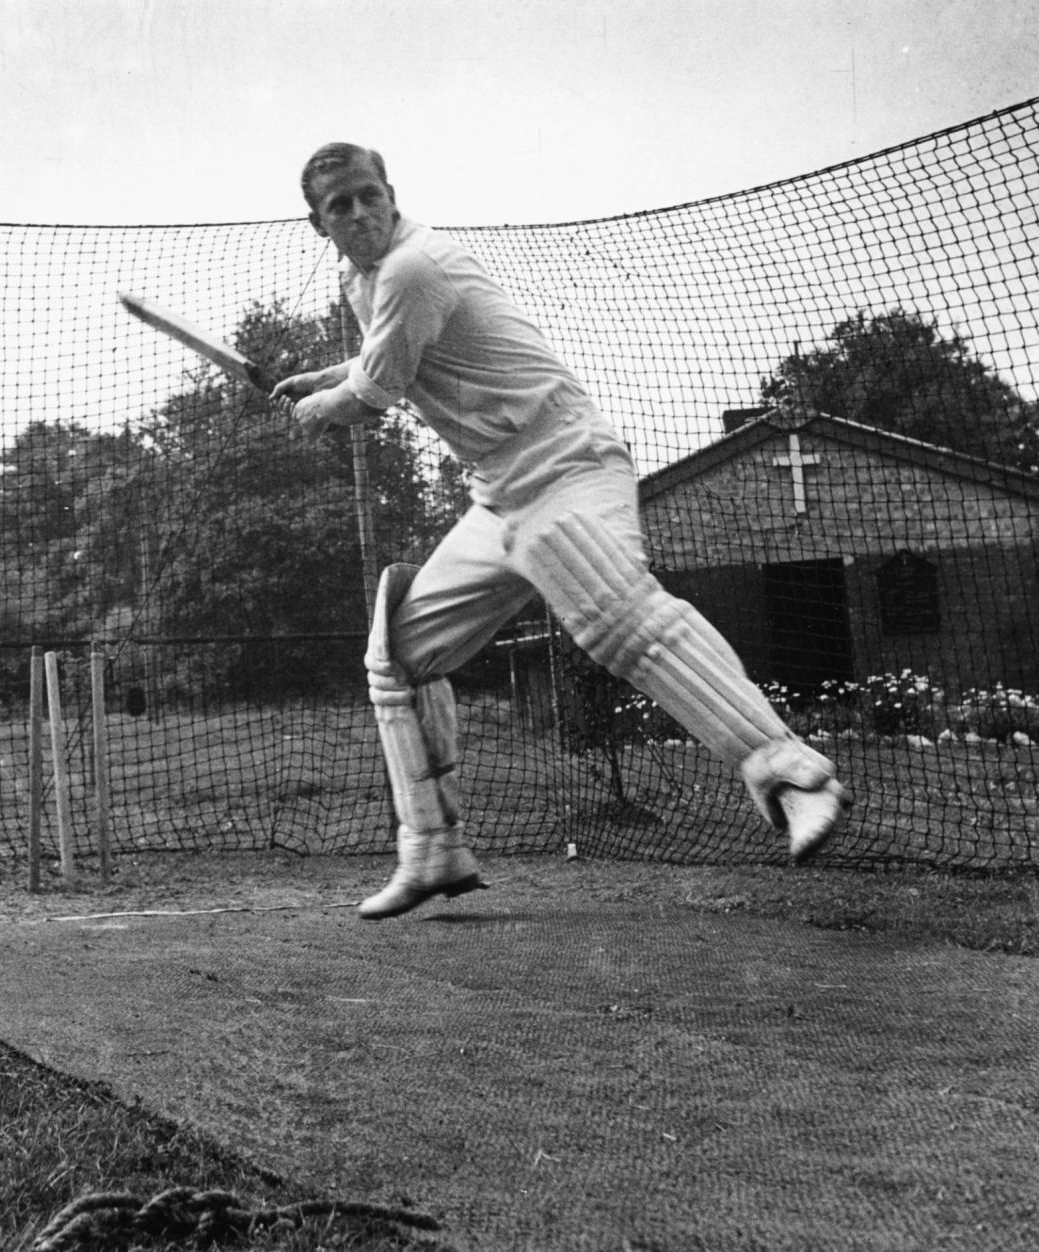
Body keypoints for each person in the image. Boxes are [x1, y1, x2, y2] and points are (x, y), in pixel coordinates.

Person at [271, 142, 851, 920]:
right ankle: (433, 851)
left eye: (368, 195)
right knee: (401, 657)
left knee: (614, 615)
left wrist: (322, 405)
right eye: (339, 206)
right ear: (319, 224)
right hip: (499, 493)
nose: (359, 213)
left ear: (391, 194)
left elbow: (376, 390)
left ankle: (794, 776)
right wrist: (325, 376)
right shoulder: (360, 278)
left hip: (569, 463)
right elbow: (389, 351)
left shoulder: (415, 264)